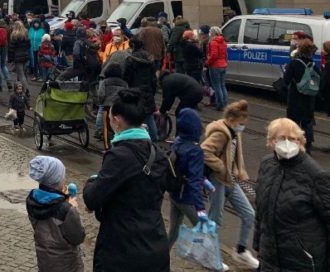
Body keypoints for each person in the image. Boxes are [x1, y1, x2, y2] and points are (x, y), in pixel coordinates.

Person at [82, 89, 170, 272]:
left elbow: (92, 198)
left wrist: (92, 181)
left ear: (117, 120)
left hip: (122, 251)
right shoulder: (158, 153)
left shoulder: (119, 156)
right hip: (155, 246)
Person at [255, 118, 330, 271]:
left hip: (302, 262)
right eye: (282, 138)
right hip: (270, 260)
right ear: (271, 141)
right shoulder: (266, 165)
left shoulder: (315, 174)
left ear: (300, 142)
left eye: (292, 139)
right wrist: (258, 245)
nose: (287, 143)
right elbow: (261, 212)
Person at [201, 100, 260, 269]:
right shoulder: (221, 133)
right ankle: (208, 256)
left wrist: (238, 170)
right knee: (215, 219)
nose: (243, 127)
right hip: (217, 180)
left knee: (249, 214)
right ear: (232, 119)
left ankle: (241, 251)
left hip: (230, 180)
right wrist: (221, 167)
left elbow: (235, 154)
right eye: (241, 123)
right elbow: (204, 151)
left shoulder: (235, 131)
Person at [26, 156, 85, 272]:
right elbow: (78, 237)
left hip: (44, 261)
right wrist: (72, 207)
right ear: (58, 180)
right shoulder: (66, 210)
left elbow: (50, 204)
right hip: (66, 264)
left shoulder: (32, 201)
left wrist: (61, 198)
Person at [167, 108, 209, 247]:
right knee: (204, 230)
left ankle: (160, 257)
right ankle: (211, 260)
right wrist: (200, 208)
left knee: (173, 231)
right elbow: (194, 181)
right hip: (186, 197)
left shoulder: (177, 142)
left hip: (175, 193)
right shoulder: (195, 151)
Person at [283, 36, 319, 152]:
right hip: (309, 98)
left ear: (299, 49)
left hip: (295, 97)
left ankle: (293, 144)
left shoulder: (294, 63)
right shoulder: (313, 64)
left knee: (293, 121)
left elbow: (286, 80)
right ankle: (307, 144)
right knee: (307, 121)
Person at [123, 37, 159, 141]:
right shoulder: (149, 58)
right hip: (148, 90)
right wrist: (152, 91)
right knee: (149, 117)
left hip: (135, 91)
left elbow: (127, 77)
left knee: (134, 117)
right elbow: (153, 78)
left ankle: (138, 139)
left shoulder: (131, 60)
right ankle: (154, 140)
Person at [94, 63, 127, 141]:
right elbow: (126, 94)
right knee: (117, 124)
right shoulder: (124, 83)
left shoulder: (104, 82)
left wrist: (101, 102)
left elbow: (101, 94)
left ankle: (103, 140)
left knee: (106, 125)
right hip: (119, 106)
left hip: (107, 106)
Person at [206, 26, 229, 110]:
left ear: (213, 33)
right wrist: (225, 63)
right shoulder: (223, 42)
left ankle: (220, 104)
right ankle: (225, 103)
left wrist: (207, 63)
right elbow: (226, 54)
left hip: (215, 66)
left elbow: (213, 55)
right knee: (222, 85)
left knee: (217, 86)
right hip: (223, 65)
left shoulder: (213, 42)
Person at [9, 21, 31, 89]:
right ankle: (20, 90)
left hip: (17, 57)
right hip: (25, 56)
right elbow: (29, 46)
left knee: (21, 75)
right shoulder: (26, 35)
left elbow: (11, 49)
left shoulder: (14, 36)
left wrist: (11, 59)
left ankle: (27, 91)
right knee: (23, 74)